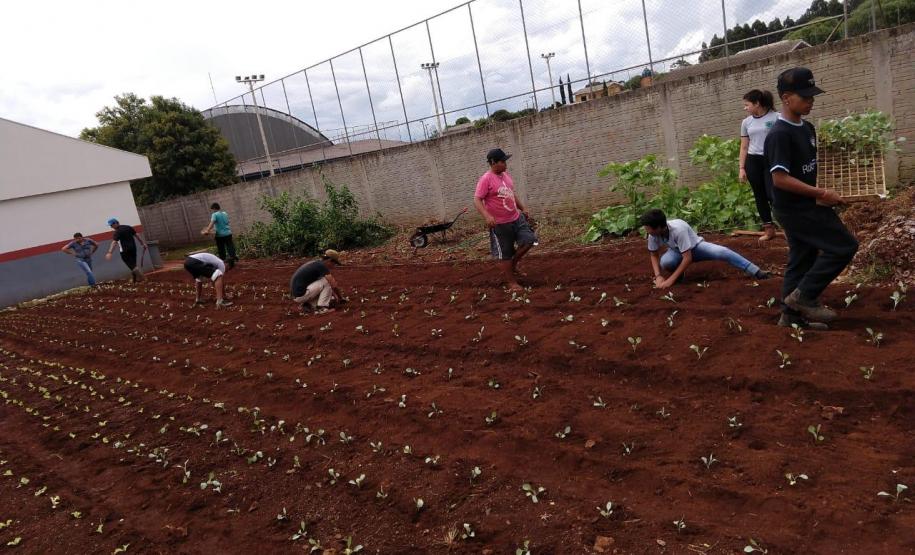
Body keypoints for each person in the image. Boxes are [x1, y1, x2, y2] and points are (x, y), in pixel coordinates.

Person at [764, 67, 858, 329]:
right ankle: (805, 297)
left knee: (802, 256)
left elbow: (808, 170)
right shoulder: (779, 134)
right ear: (786, 98)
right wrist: (821, 194)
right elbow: (779, 179)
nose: (810, 100)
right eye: (805, 96)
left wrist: (823, 194)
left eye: (812, 95)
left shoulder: (807, 128)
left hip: (807, 203)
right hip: (793, 208)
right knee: (844, 246)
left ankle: (790, 316)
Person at [640, 209, 769, 288]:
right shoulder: (653, 234)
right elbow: (653, 254)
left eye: (648, 228)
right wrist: (658, 276)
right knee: (666, 262)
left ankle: (756, 271)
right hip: (677, 251)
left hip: (696, 248)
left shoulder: (678, 229)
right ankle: (679, 276)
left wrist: (669, 281)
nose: (646, 231)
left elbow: (688, 258)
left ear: (659, 227)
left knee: (722, 252)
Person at [473, 148, 538, 291]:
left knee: (529, 240)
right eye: (502, 161)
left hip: (516, 218)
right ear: (493, 162)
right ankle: (511, 282)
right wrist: (487, 216)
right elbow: (477, 199)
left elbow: (511, 194)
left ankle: (513, 265)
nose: (505, 164)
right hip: (500, 224)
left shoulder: (506, 176)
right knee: (506, 253)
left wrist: (523, 208)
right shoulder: (486, 179)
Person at [739, 89, 779, 242]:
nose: (745, 108)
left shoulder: (777, 117)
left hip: (771, 160)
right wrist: (742, 168)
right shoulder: (746, 122)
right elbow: (744, 146)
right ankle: (769, 230)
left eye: (747, 104)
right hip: (753, 161)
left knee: (773, 195)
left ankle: (788, 228)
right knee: (759, 195)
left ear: (757, 104)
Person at [290, 250, 344, 314]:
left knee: (330, 298)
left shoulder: (316, 263)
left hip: (297, 294)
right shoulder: (322, 266)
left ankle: (308, 305)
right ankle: (322, 308)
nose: (334, 266)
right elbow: (333, 284)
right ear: (330, 260)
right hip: (301, 294)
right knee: (327, 281)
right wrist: (341, 298)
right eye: (334, 263)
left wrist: (334, 295)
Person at [104, 218, 147, 283]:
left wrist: (110, 252)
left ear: (116, 223)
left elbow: (114, 242)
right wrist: (142, 243)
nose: (111, 226)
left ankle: (142, 278)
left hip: (124, 251)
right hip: (133, 249)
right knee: (133, 265)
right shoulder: (128, 227)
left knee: (132, 266)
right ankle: (135, 280)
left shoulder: (117, 232)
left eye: (112, 225)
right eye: (110, 225)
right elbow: (137, 235)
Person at [201, 202, 238, 268]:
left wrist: (207, 230)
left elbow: (212, 223)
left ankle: (222, 262)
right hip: (228, 233)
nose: (212, 210)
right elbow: (227, 222)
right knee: (230, 247)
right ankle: (232, 259)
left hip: (220, 235)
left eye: (212, 209)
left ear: (214, 208)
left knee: (221, 249)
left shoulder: (214, 214)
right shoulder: (225, 213)